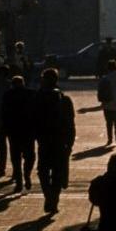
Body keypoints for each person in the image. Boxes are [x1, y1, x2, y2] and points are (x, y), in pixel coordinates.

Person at [32, 69, 76, 215]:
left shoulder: (37, 98)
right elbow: (70, 124)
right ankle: (54, 199)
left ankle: (48, 195)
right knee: (58, 171)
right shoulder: (64, 99)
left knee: (43, 170)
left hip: (44, 140)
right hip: (60, 141)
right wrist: (70, 143)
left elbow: (32, 120)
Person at [1, 75, 36, 192]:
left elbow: (3, 113)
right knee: (29, 156)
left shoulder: (7, 95)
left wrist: (5, 129)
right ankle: (26, 174)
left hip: (14, 131)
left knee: (16, 157)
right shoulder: (31, 94)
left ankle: (19, 181)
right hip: (28, 130)